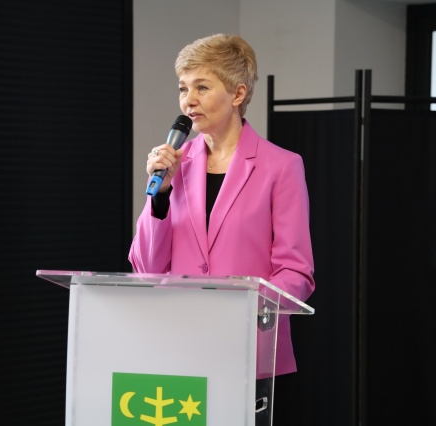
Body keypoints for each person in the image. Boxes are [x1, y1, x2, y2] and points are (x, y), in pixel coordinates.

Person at [128, 33, 315, 425]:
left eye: (202, 87)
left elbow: (296, 273)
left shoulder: (281, 166)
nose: (188, 100)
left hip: (249, 355)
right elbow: (146, 268)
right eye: (183, 88)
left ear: (237, 93)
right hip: (181, 350)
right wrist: (159, 197)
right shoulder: (175, 167)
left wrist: (243, 313)